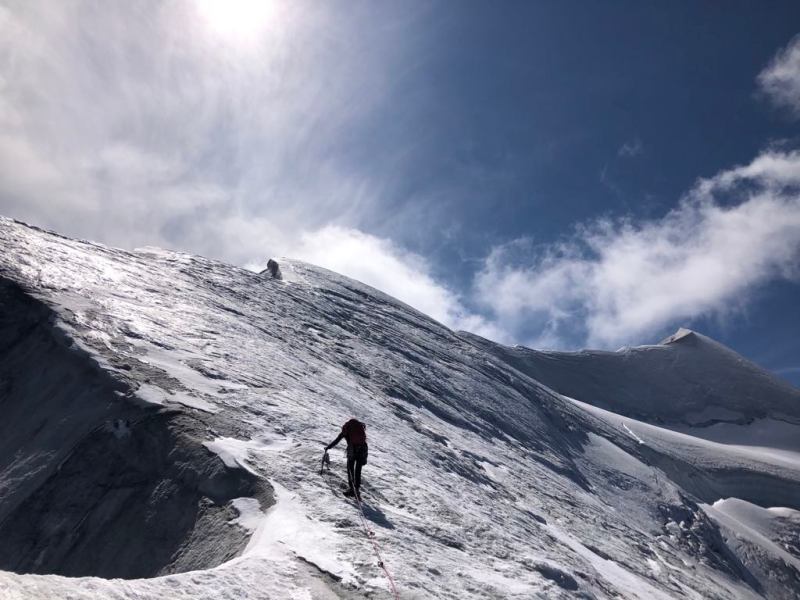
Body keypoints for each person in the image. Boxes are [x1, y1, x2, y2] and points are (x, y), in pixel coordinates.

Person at [325, 418, 368, 499]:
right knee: (358, 471)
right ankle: (357, 490)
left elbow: (337, 440)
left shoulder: (346, 430)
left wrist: (328, 447)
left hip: (353, 451)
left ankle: (352, 490)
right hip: (362, 450)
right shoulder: (359, 428)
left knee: (350, 470)